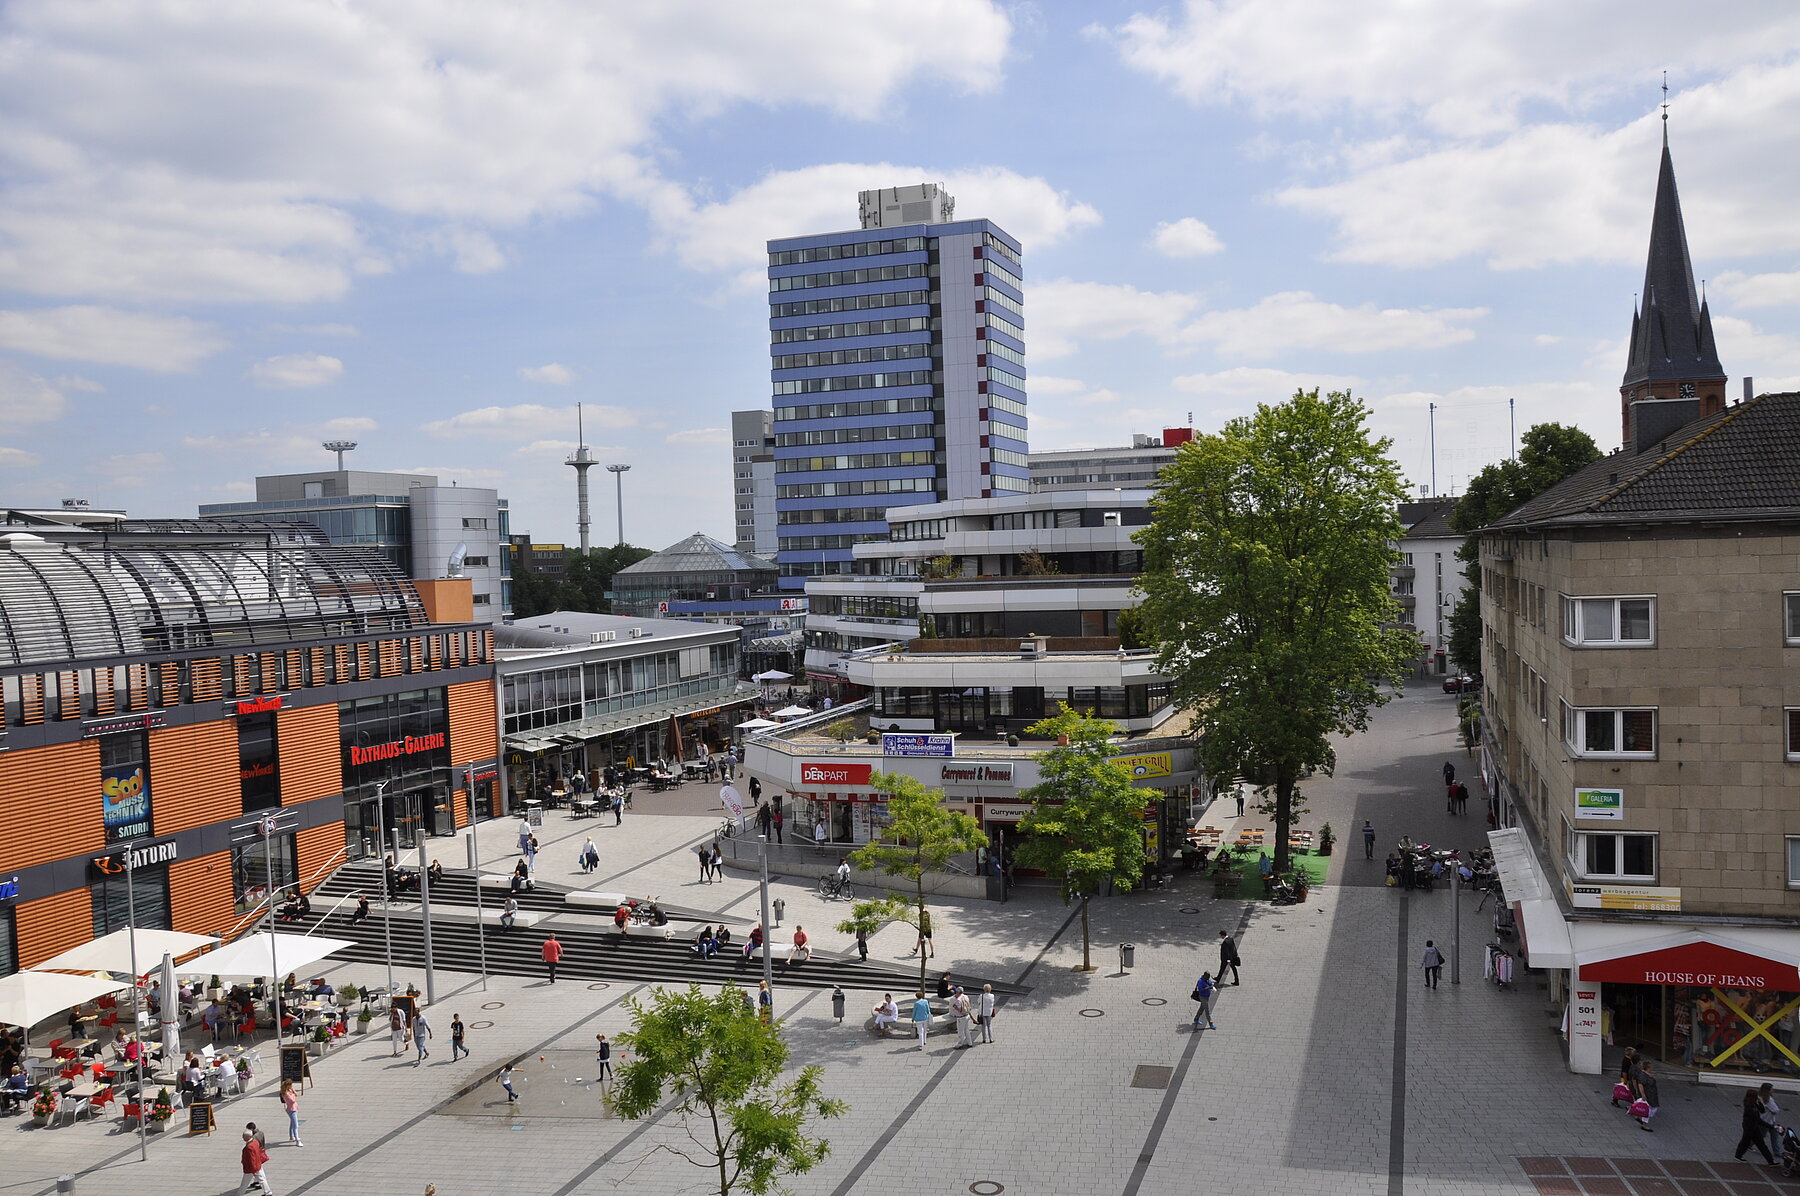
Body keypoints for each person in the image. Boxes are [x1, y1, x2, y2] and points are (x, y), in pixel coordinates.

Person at [1737, 1085, 1777, 1164]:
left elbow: (1762, 1111)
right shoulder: (1749, 1107)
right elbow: (1758, 1119)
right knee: (1745, 1142)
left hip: (1754, 1127)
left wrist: (1760, 1103)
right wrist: (1770, 1126)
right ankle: (1738, 1156)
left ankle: (1771, 1161)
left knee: (1760, 1144)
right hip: (1749, 1127)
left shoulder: (1754, 1104)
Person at [240, 1127, 274, 1195]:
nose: (242, 1137)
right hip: (258, 1164)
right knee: (262, 1179)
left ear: (248, 1137)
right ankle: (268, 1192)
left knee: (244, 1184)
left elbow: (251, 1159)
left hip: (251, 1168)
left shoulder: (249, 1147)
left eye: (243, 1136)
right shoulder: (255, 1142)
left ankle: (239, 1194)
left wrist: (253, 1170)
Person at [1635, 1060, 1659, 1131]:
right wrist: (1643, 1095)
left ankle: (1639, 1116)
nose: (1652, 1069)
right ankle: (1644, 1124)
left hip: (1651, 1094)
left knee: (1650, 1108)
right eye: (1651, 1067)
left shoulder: (1647, 1074)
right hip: (1648, 1095)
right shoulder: (1643, 1076)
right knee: (1650, 1109)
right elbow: (1640, 1085)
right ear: (1648, 1068)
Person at [279, 1077, 302, 1147]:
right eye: (291, 1085)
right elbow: (292, 1101)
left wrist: (293, 1092)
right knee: (295, 1125)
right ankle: (297, 1140)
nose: (292, 1087)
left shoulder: (289, 1090)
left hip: (293, 1108)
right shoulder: (285, 1093)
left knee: (292, 1122)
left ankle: (291, 1136)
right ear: (288, 1085)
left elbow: (296, 1094)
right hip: (291, 1109)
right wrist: (293, 1094)